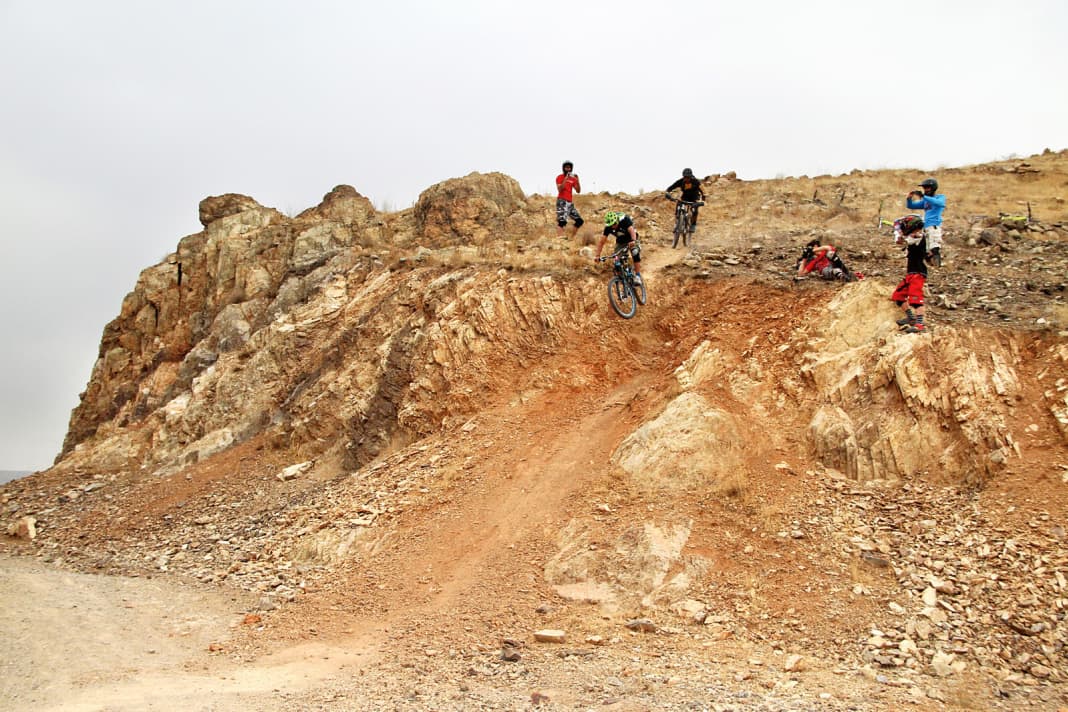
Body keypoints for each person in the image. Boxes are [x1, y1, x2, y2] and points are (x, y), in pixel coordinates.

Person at [890, 213, 937, 333]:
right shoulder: (913, 236)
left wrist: (900, 235)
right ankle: (911, 318)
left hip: (918, 273)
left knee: (916, 299)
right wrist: (899, 236)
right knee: (898, 296)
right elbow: (902, 242)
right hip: (910, 273)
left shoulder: (919, 236)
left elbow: (909, 240)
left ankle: (920, 324)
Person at [906, 177, 946, 267]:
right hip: (926, 228)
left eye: (927, 187)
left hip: (934, 226)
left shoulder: (940, 197)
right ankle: (932, 268)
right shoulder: (925, 201)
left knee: (934, 248)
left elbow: (939, 203)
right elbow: (911, 206)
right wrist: (909, 198)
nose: (926, 190)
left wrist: (924, 197)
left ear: (933, 188)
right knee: (926, 251)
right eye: (924, 188)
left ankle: (938, 267)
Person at [595, 211, 643, 286]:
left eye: (614, 224)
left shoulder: (624, 219)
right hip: (621, 241)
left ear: (617, 220)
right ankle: (622, 280)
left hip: (631, 237)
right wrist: (597, 255)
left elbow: (631, 231)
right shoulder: (608, 227)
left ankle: (637, 276)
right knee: (616, 260)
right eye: (611, 225)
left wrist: (633, 241)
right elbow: (601, 242)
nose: (613, 226)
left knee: (635, 252)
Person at [665, 168, 705, 233]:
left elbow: (703, 189)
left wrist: (702, 200)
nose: (686, 179)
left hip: (694, 197)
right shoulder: (681, 181)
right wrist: (667, 193)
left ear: (691, 176)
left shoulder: (696, 181)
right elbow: (671, 187)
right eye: (685, 177)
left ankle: (693, 225)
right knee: (679, 203)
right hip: (685, 197)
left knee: (695, 209)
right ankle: (677, 223)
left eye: (688, 177)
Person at [555, 160, 584, 238]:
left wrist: (577, 181)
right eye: (566, 167)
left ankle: (571, 238)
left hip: (569, 203)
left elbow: (578, 191)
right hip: (561, 201)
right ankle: (559, 239)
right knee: (562, 221)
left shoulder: (573, 179)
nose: (568, 169)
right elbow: (560, 189)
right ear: (563, 168)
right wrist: (566, 179)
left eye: (569, 168)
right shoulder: (559, 177)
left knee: (579, 221)